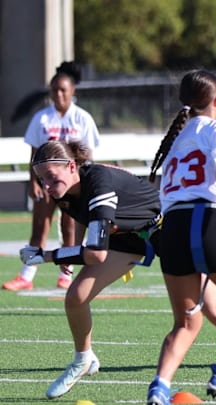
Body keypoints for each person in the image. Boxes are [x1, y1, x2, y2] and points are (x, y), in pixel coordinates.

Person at [146, 69, 216, 405]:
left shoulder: (175, 140)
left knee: (185, 323)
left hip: (175, 228)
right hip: (210, 219)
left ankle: (159, 387)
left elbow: (174, 195)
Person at [19, 140, 162, 399]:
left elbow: (96, 253)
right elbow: (84, 221)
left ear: (72, 166)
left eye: (51, 178)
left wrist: (46, 256)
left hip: (166, 231)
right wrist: (71, 251)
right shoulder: (65, 191)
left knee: (211, 309)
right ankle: (83, 358)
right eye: (42, 180)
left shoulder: (98, 183)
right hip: (128, 239)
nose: (47, 187)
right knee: (76, 297)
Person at [3, 61, 100, 291]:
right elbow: (34, 152)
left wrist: (84, 184)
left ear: (72, 91)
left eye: (62, 90)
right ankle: (26, 276)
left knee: (70, 228)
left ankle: (66, 274)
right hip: (46, 182)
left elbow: (88, 155)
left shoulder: (82, 118)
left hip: (71, 185)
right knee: (39, 228)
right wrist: (33, 180)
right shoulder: (42, 118)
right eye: (54, 90)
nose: (58, 94)